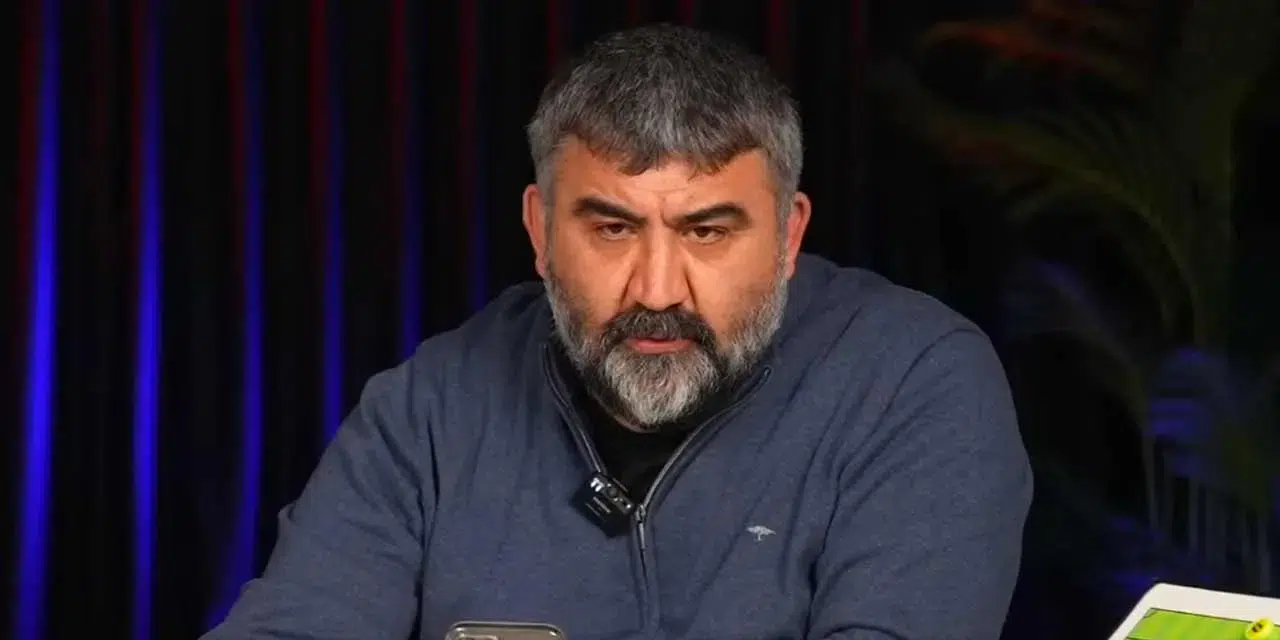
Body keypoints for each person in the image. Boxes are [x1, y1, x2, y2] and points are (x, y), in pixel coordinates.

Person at [202, 23, 1032, 640]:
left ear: (787, 237)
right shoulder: (433, 406)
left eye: (707, 232)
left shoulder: (914, 381)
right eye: (611, 229)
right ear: (539, 230)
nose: (657, 290)